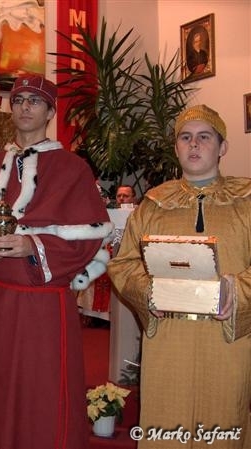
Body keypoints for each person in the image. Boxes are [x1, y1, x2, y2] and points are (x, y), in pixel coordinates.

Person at [0, 74, 113, 449]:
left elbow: (90, 236)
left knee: (43, 391)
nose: (24, 107)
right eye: (18, 100)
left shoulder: (73, 169)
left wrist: (32, 245)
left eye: (34, 101)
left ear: (50, 112)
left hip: (44, 307)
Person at [107, 104, 251, 448]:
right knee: (165, 424)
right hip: (169, 339)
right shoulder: (154, 204)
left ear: (223, 147)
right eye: (185, 137)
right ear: (176, 148)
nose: (194, 144)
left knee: (223, 423)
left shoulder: (247, 201)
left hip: (226, 341)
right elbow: (124, 263)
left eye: (204, 137)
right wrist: (147, 291)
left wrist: (237, 291)